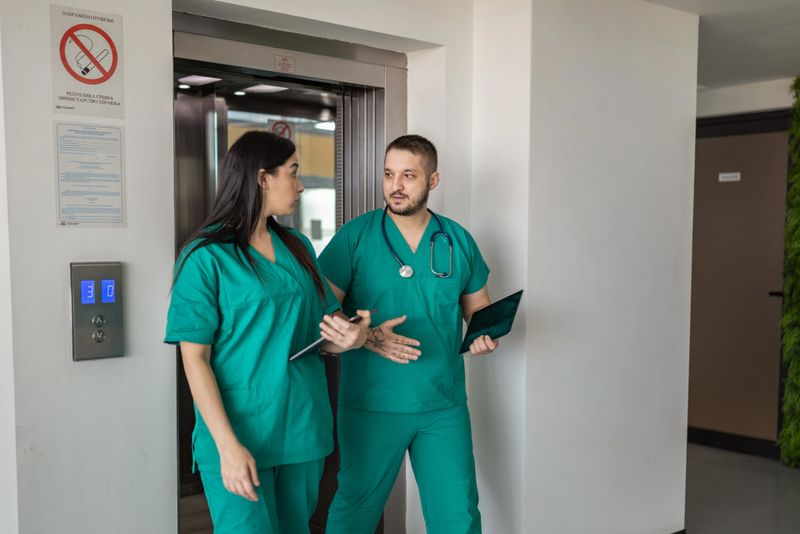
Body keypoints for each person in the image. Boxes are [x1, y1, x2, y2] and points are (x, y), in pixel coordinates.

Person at [164, 131, 371, 534]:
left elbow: (324, 331)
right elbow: (195, 359)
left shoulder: (297, 246)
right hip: (239, 432)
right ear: (262, 178)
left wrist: (352, 337)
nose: (299, 184)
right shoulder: (204, 257)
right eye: (292, 173)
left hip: (300, 426)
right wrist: (227, 445)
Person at [320, 134, 498, 533]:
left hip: (442, 404)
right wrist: (364, 335)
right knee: (355, 511)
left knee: (458, 514)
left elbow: (478, 310)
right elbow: (320, 319)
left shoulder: (456, 240)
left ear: (433, 181)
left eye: (408, 175)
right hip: (371, 403)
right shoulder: (356, 237)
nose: (395, 185)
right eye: (388, 174)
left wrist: (485, 333)